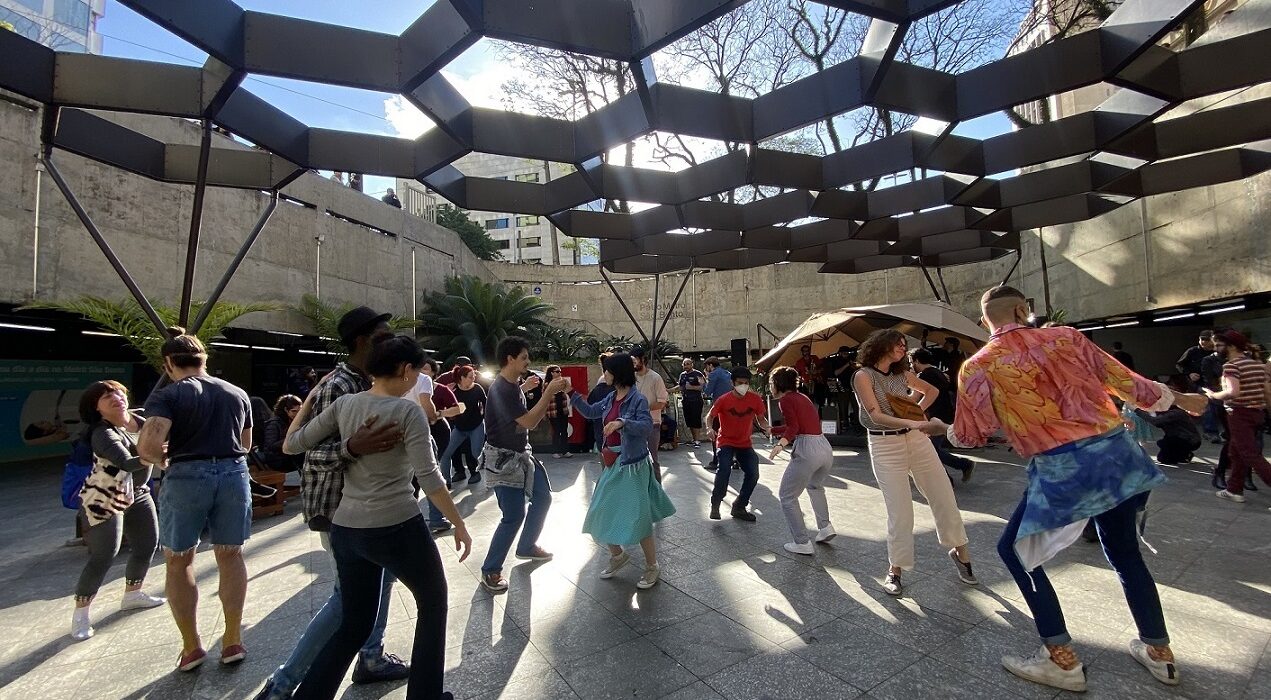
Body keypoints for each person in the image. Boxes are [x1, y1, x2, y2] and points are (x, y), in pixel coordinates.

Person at [949, 285, 1208, 692]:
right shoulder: (1066, 337)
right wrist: (1179, 397)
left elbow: (969, 435)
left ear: (987, 321)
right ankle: (1160, 652)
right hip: (1119, 458)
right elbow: (1128, 384)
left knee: (1014, 552)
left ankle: (1061, 658)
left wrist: (942, 429)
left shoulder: (979, 366)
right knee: (1124, 551)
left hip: (1064, 470)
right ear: (1024, 309)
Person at [283, 334, 470, 700]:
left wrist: (311, 396)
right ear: (404, 370)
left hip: (347, 530)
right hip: (396, 525)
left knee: (354, 624)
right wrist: (459, 524)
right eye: (416, 372)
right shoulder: (407, 411)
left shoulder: (346, 405)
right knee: (433, 604)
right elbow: (430, 477)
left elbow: (292, 444)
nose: (417, 379)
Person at [254, 307, 411, 700]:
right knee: (347, 599)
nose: (390, 343)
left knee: (381, 581)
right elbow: (306, 454)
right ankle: (282, 685)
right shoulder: (338, 387)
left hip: (373, 510)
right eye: (382, 336)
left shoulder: (371, 382)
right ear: (361, 341)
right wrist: (353, 447)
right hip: (341, 510)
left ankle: (371, 656)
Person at [138, 328, 254, 671]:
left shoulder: (169, 395)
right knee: (231, 556)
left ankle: (191, 647)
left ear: (169, 363)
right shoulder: (237, 393)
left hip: (187, 474)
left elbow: (147, 447)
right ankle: (232, 640)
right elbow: (246, 443)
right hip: (234, 473)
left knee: (179, 560)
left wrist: (163, 461)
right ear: (204, 360)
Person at [853, 330, 976, 598]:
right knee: (900, 511)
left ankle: (961, 552)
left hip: (916, 439)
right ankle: (895, 569)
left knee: (943, 495)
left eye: (903, 345)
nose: (901, 348)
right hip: (885, 444)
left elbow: (931, 390)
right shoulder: (864, 375)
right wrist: (914, 420)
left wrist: (913, 407)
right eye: (897, 344)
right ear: (881, 345)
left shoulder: (902, 374)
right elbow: (874, 414)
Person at [70, 380, 165, 641]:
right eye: (105, 396)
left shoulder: (141, 419)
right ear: (96, 408)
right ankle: (81, 613)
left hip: (140, 492)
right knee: (104, 553)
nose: (114, 397)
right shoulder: (102, 433)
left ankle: (133, 594)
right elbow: (126, 462)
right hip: (106, 495)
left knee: (147, 544)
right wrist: (161, 454)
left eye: (117, 391)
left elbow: (159, 389)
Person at [570, 353, 675, 589]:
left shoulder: (636, 399)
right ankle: (617, 556)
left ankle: (651, 566)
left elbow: (647, 426)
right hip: (613, 463)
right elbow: (589, 412)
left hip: (632, 466)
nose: (604, 374)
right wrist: (570, 393)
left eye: (607, 370)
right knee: (600, 510)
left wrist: (622, 423)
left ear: (617, 373)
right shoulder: (610, 398)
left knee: (638, 517)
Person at [478, 336, 569, 593]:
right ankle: (491, 570)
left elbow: (524, 419)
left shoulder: (512, 384)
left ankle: (527, 546)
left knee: (543, 498)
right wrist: (549, 392)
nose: (528, 362)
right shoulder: (503, 389)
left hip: (522, 454)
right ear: (510, 359)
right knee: (513, 515)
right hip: (503, 460)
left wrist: (527, 386)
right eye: (524, 358)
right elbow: (528, 422)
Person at [767, 367, 836, 556]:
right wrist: (773, 430)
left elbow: (794, 427)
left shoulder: (786, 400)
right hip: (824, 446)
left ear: (778, 383)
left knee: (787, 497)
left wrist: (780, 445)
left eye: (771, 383)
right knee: (815, 487)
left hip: (807, 448)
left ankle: (802, 542)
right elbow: (798, 424)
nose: (770, 386)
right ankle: (825, 527)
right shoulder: (802, 397)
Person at [1206, 330, 1271, 504]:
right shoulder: (1258, 364)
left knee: (1249, 453)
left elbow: (1233, 392)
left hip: (1239, 413)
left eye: (1220, 345)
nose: (1216, 348)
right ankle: (1234, 490)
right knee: (1236, 452)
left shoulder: (1231, 366)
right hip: (1257, 413)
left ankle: (1235, 489)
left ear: (1232, 346)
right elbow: (1266, 391)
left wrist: (1214, 395)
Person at [705, 367, 771, 522]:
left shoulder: (754, 399)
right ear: (732, 383)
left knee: (753, 472)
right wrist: (709, 428)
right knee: (724, 470)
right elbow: (710, 416)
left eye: (746, 383)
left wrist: (767, 427)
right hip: (726, 441)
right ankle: (716, 502)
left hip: (744, 443)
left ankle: (739, 506)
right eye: (740, 383)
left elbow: (761, 418)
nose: (744, 386)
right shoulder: (724, 400)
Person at [429, 366, 486, 532]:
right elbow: (450, 407)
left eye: (473, 376)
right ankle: (445, 482)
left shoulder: (478, 389)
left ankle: (485, 469)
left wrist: (485, 421)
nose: (472, 379)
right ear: (461, 377)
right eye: (469, 376)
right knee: (445, 454)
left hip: (476, 426)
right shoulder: (452, 389)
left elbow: (486, 403)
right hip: (460, 428)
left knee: (476, 453)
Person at [910, 348, 974, 482]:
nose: (911, 366)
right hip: (946, 415)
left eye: (911, 363)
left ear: (916, 361)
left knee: (930, 451)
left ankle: (947, 478)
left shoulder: (925, 375)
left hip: (935, 418)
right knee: (933, 449)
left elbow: (914, 398)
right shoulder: (938, 373)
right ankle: (962, 466)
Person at [1136, 376, 1202, 465]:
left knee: (1165, 458)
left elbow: (1156, 422)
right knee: (1165, 448)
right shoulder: (1167, 410)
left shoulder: (1175, 412)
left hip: (1188, 440)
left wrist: (1137, 411)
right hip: (1178, 437)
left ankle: (1185, 454)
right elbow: (1159, 423)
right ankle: (1182, 454)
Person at [630, 347, 669, 480]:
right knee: (634, 459)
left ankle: (657, 490)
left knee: (653, 459)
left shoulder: (655, 378)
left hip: (652, 424)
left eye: (635, 361)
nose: (633, 364)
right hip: (633, 425)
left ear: (643, 360)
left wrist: (642, 409)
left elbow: (662, 402)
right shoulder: (630, 378)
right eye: (631, 361)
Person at [258, 395, 305, 473]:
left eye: (299, 411)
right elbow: (271, 445)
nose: (297, 414)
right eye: (294, 411)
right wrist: (291, 438)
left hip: (290, 455)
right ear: (286, 410)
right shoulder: (274, 423)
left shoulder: (295, 421)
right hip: (277, 458)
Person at [702, 358, 733, 471]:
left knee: (715, 433)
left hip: (719, 408)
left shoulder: (713, 374)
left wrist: (704, 382)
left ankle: (716, 459)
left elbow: (707, 391)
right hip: (732, 408)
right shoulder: (727, 373)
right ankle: (734, 459)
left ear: (710, 366)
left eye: (706, 367)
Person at [586, 353, 617, 461]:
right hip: (615, 436)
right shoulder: (620, 391)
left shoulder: (599, 388)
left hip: (601, 430)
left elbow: (589, 410)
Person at [544, 365, 573, 458]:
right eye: (557, 371)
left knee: (564, 431)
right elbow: (544, 399)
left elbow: (569, 391)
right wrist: (544, 412)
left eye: (560, 371)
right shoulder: (547, 384)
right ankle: (555, 451)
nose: (559, 373)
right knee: (556, 431)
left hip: (563, 409)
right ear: (551, 373)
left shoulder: (562, 382)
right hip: (553, 411)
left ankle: (565, 451)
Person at [677, 358, 706, 447]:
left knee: (696, 420)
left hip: (696, 400)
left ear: (692, 364)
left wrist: (692, 387)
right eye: (684, 364)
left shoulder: (698, 374)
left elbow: (702, 387)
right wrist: (667, 390)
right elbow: (681, 387)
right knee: (689, 421)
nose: (686, 366)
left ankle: (697, 440)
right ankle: (693, 439)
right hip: (686, 400)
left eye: (688, 364)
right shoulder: (682, 375)